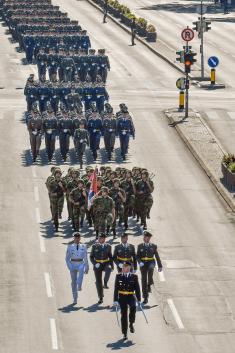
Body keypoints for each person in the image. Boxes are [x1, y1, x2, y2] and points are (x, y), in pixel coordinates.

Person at [113, 262, 141, 340]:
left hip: (131, 296)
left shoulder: (134, 276)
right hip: (122, 297)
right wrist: (115, 300)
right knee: (123, 315)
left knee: (133, 308)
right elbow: (116, 289)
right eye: (123, 267)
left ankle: (131, 323)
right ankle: (125, 333)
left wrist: (139, 300)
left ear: (129, 268)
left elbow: (137, 289)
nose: (124, 268)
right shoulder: (118, 276)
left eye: (126, 267)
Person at [137, 231, 162, 304]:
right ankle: (145, 297)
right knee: (143, 280)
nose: (145, 238)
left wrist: (160, 266)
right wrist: (139, 262)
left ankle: (149, 282)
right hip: (143, 264)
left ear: (149, 238)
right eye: (144, 237)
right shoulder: (140, 246)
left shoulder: (153, 246)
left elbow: (157, 256)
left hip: (151, 262)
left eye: (146, 237)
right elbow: (137, 256)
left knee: (151, 269)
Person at [65, 232, 89, 304]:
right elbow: (67, 258)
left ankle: (79, 285)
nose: (77, 239)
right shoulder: (70, 246)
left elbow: (85, 257)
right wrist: (70, 267)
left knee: (81, 273)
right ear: (74, 238)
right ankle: (75, 297)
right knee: (73, 282)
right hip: (73, 263)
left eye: (78, 238)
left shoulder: (83, 246)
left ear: (80, 238)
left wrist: (87, 266)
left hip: (81, 263)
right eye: (76, 238)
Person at [90, 233, 113, 304]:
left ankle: (105, 283)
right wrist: (95, 263)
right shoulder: (94, 246)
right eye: (99, 238)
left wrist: (111, 265)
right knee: (98, 282)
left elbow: (110, 256)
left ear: (104, 239)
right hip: (97, 264)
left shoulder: (108, 246)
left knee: (109, 270)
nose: (100, 239)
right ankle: (100, 297)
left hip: (106, 263)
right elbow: (91, 257)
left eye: (102, 238)